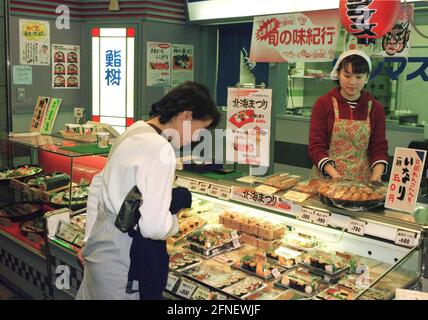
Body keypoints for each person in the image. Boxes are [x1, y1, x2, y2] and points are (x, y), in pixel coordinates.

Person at [76, 81, 220, 299]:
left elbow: (98, 184)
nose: (195, 138)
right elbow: (153, 227)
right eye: (200, 129)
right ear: (186, 116)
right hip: (123, 256)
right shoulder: (160, 149)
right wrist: (174, 222)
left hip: (100, 244)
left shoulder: (135, 129)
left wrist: (88, 239)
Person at [308, 50, 388, 182]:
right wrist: (336, 176)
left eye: (358, 77)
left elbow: (378, 147)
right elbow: (316, 146)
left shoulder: (375, 108)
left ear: (367, 77)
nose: (352, 82)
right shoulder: (323, 104)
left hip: (362, 179)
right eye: (347, 75)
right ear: (338, 74)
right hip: (326, 177)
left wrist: (376, 176)